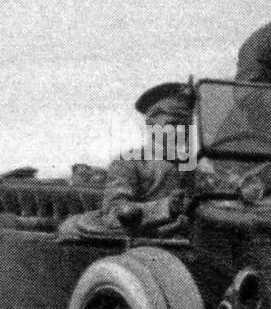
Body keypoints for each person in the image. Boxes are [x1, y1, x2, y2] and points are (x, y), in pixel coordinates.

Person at [60, 83, 201, 238]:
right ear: (151, 125)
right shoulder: (129, 162)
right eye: (172, 124)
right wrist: (165, 207)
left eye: (187, 126)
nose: (181, 132)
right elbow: (113, 215)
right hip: (147, 247)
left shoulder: (193, 165)